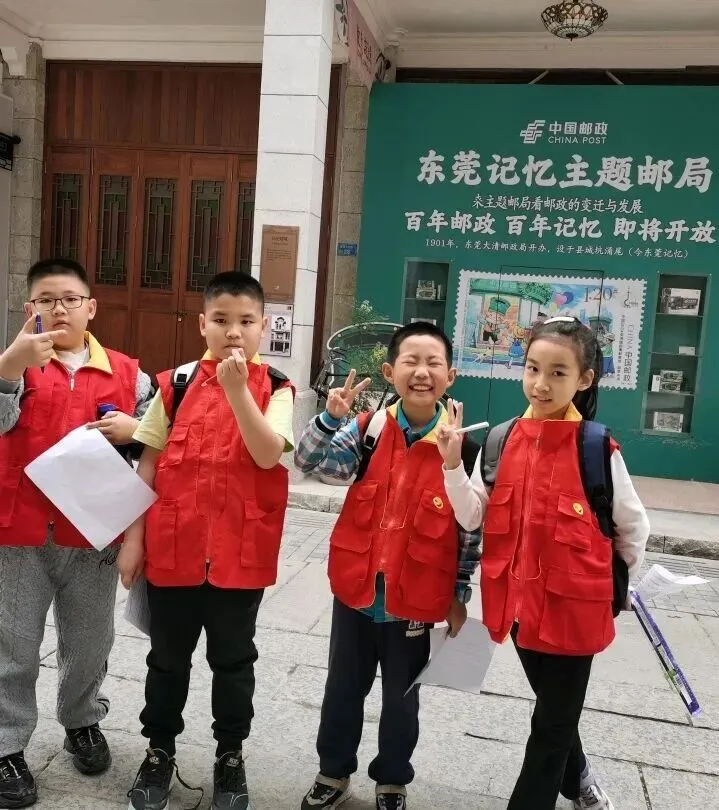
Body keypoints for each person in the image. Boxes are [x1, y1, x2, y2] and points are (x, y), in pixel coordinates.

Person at [440, 315, 650, 810]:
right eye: (533, 368)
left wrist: (610, 589)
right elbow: (473, 516)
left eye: (558, 373)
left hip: (575, 609)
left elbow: (633, 529)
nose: (541, 383)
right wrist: (451, 463)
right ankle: (580, 782)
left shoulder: (595, 447)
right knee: (557, 709)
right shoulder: (501, 439)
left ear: (585, 379)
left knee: (550, 724)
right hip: (516, 607)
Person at [117, 271, 295, 810]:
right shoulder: (174, 384)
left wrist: (238, 391)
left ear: (264, 326)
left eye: (245, 321)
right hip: (174, 551)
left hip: (241, 556)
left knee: (234, 662)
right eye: (221, 320)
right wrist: (133, 540)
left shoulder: (278, 388)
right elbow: (148, 463)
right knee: (167, 660)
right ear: (202, 324)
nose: (233, 332)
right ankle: (159, 750)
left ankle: (230, 755)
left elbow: (267, 453)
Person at [294, 321, 482, 810]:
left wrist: (458, 595)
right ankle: (333, 773)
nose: (421, 372)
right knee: (342, 690)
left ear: (450, 376)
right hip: (356, 592)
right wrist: (330, 418)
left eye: (433, 363)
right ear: (388, 371)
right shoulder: (368, 431)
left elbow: (469, 532)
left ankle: (392, 780)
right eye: (410, 361)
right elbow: (313, 465)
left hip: (416, 599)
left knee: (402, 700)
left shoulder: (463, 446)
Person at [0, 258, 154, 808]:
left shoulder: (129, 374)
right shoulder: (14, 365)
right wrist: (10, 367)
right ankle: (6, 745)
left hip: (94, 536)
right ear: (30, 308)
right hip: (20, 533)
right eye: (47, 299)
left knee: (90, 641)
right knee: (13, 645)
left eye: (70, 299)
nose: (59, 308)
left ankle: (81, 721)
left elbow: (162, 445)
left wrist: (136, 429)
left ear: (91, 308)